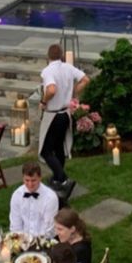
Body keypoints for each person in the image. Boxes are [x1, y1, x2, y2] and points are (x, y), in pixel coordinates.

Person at [38, 43, 89, 193]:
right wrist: (74, 92)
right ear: (61, 56)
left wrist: (43, 101)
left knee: (46, 151)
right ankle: (56, 179)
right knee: (59, 147)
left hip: (53, 115)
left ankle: (64, 179)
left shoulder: (48, 71)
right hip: (65, 114)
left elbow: (52, 89)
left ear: (48, 57)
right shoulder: (68, 67)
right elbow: (86, 80)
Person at [8, 163, 59, 239]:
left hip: (44, 241)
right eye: (27, 180)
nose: (30, 184)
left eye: (33, 180)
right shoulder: (17, 195)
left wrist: (34, 243)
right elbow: (15, 226)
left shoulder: (50, 198)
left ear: (40, 178)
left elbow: (49, 230)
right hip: (22, 240)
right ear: (23, 178)